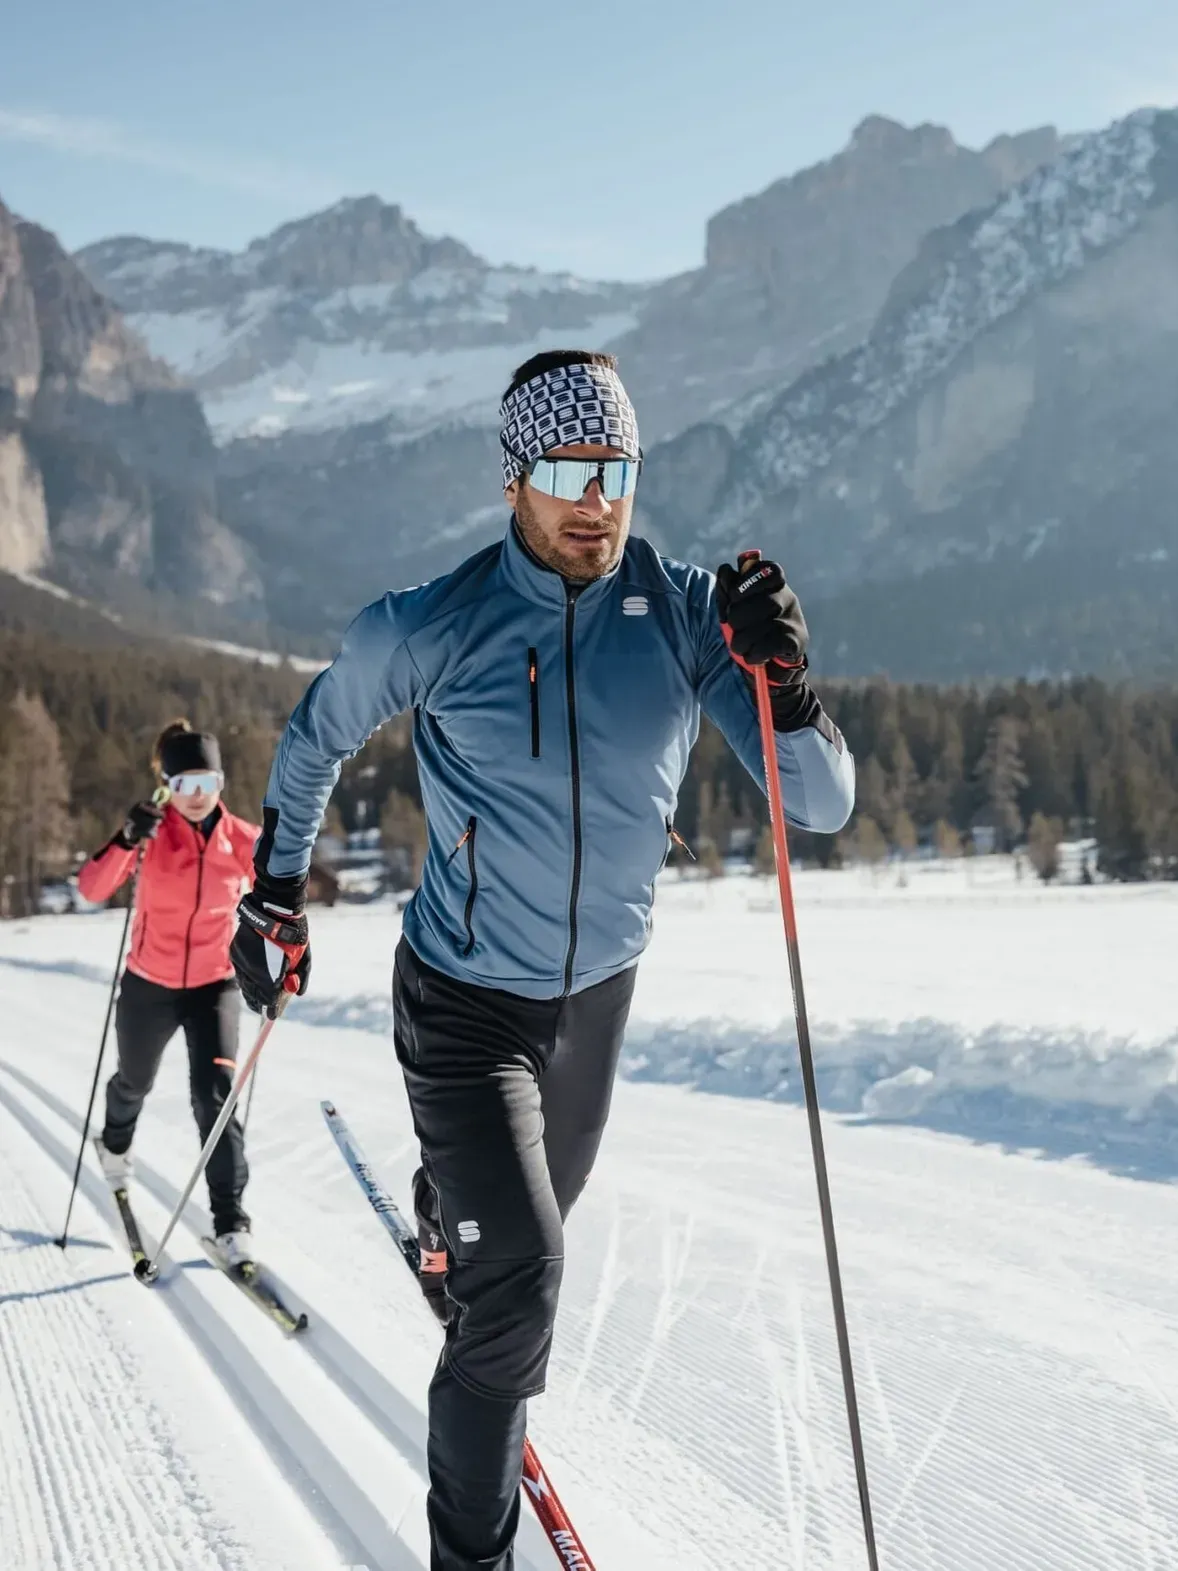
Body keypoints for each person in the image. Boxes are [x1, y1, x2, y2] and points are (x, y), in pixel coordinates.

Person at [231, 350, 855, 1569]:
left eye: (616, 468)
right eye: (568, 468)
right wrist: (273, 897)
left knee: (522, 1231)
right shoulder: (435, 622)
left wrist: (782, 682)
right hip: (463, 999)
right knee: (516, 1289)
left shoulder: (682, 616)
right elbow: (312, 739)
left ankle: (440, 1209)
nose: (596, 498)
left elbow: (820, 803)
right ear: (512, 477)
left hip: (596, 1002)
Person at [79, 719, 261, 1266]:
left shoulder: (245, 840)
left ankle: (231, 1222)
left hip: (215, 985)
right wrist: (124, 838)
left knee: (216, 1097)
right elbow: (91, 889)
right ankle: (114, 1143)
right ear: (167, 786)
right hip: (148, 984)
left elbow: (282, 897)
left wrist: (284, 945)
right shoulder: (150, 835)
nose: (199, 796)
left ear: (222, 782)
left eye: (209, 781)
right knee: (134, 1080)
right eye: (185, 785)